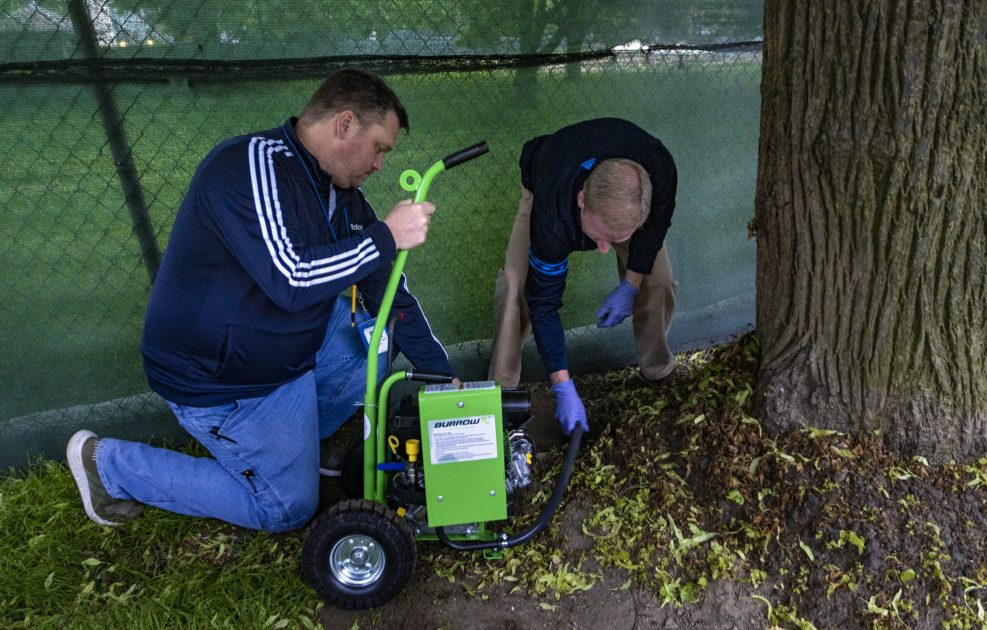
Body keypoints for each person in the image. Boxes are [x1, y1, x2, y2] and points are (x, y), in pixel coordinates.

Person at [66, 68, 452, 532]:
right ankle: (109, 466)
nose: (379, 165)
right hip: (221, 377)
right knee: (287, 509)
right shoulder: (249, 164)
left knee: (377, 335)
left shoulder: (343, 195)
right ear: (345, 124)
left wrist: (446, 380)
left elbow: (389, 292)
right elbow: (290, 278)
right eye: (380, 149)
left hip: (282, 350)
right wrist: (385, 236)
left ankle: (300, 443)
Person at [489, 117, 678, 436]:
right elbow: (544, 303)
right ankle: (498, 395)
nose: (604, 250)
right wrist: (562, 385)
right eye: (600, 238)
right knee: (516, 287)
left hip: (620, 196)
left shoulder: (659, 171)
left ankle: (657, 371)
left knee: (657, 279)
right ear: (581, 201)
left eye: (616, 239)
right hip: (547, 179)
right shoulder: (553, 216)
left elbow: (653, 233)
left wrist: (631, 284)